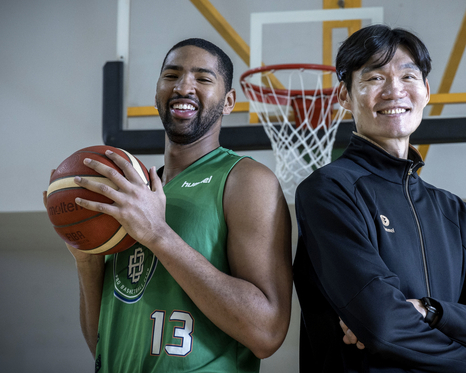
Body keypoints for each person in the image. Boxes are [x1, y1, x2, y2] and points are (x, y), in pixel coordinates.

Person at [44, 38, 293, 372]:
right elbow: (103, 347)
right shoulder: (129, 193)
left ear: (229, 101)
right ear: (157, 92)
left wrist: (158, 234)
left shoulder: (245, 180)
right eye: (171, 75)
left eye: (203, 78)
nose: (183, 86)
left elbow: (267, 333)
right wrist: (87, 262)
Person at [293, 24, 466, 372]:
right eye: (375, 78)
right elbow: (383, 325)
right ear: (344, 96)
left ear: (426, 90)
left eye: (408, 76)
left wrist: (429, 310)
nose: (394, 91)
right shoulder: (329, 190)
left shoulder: (457, 213)